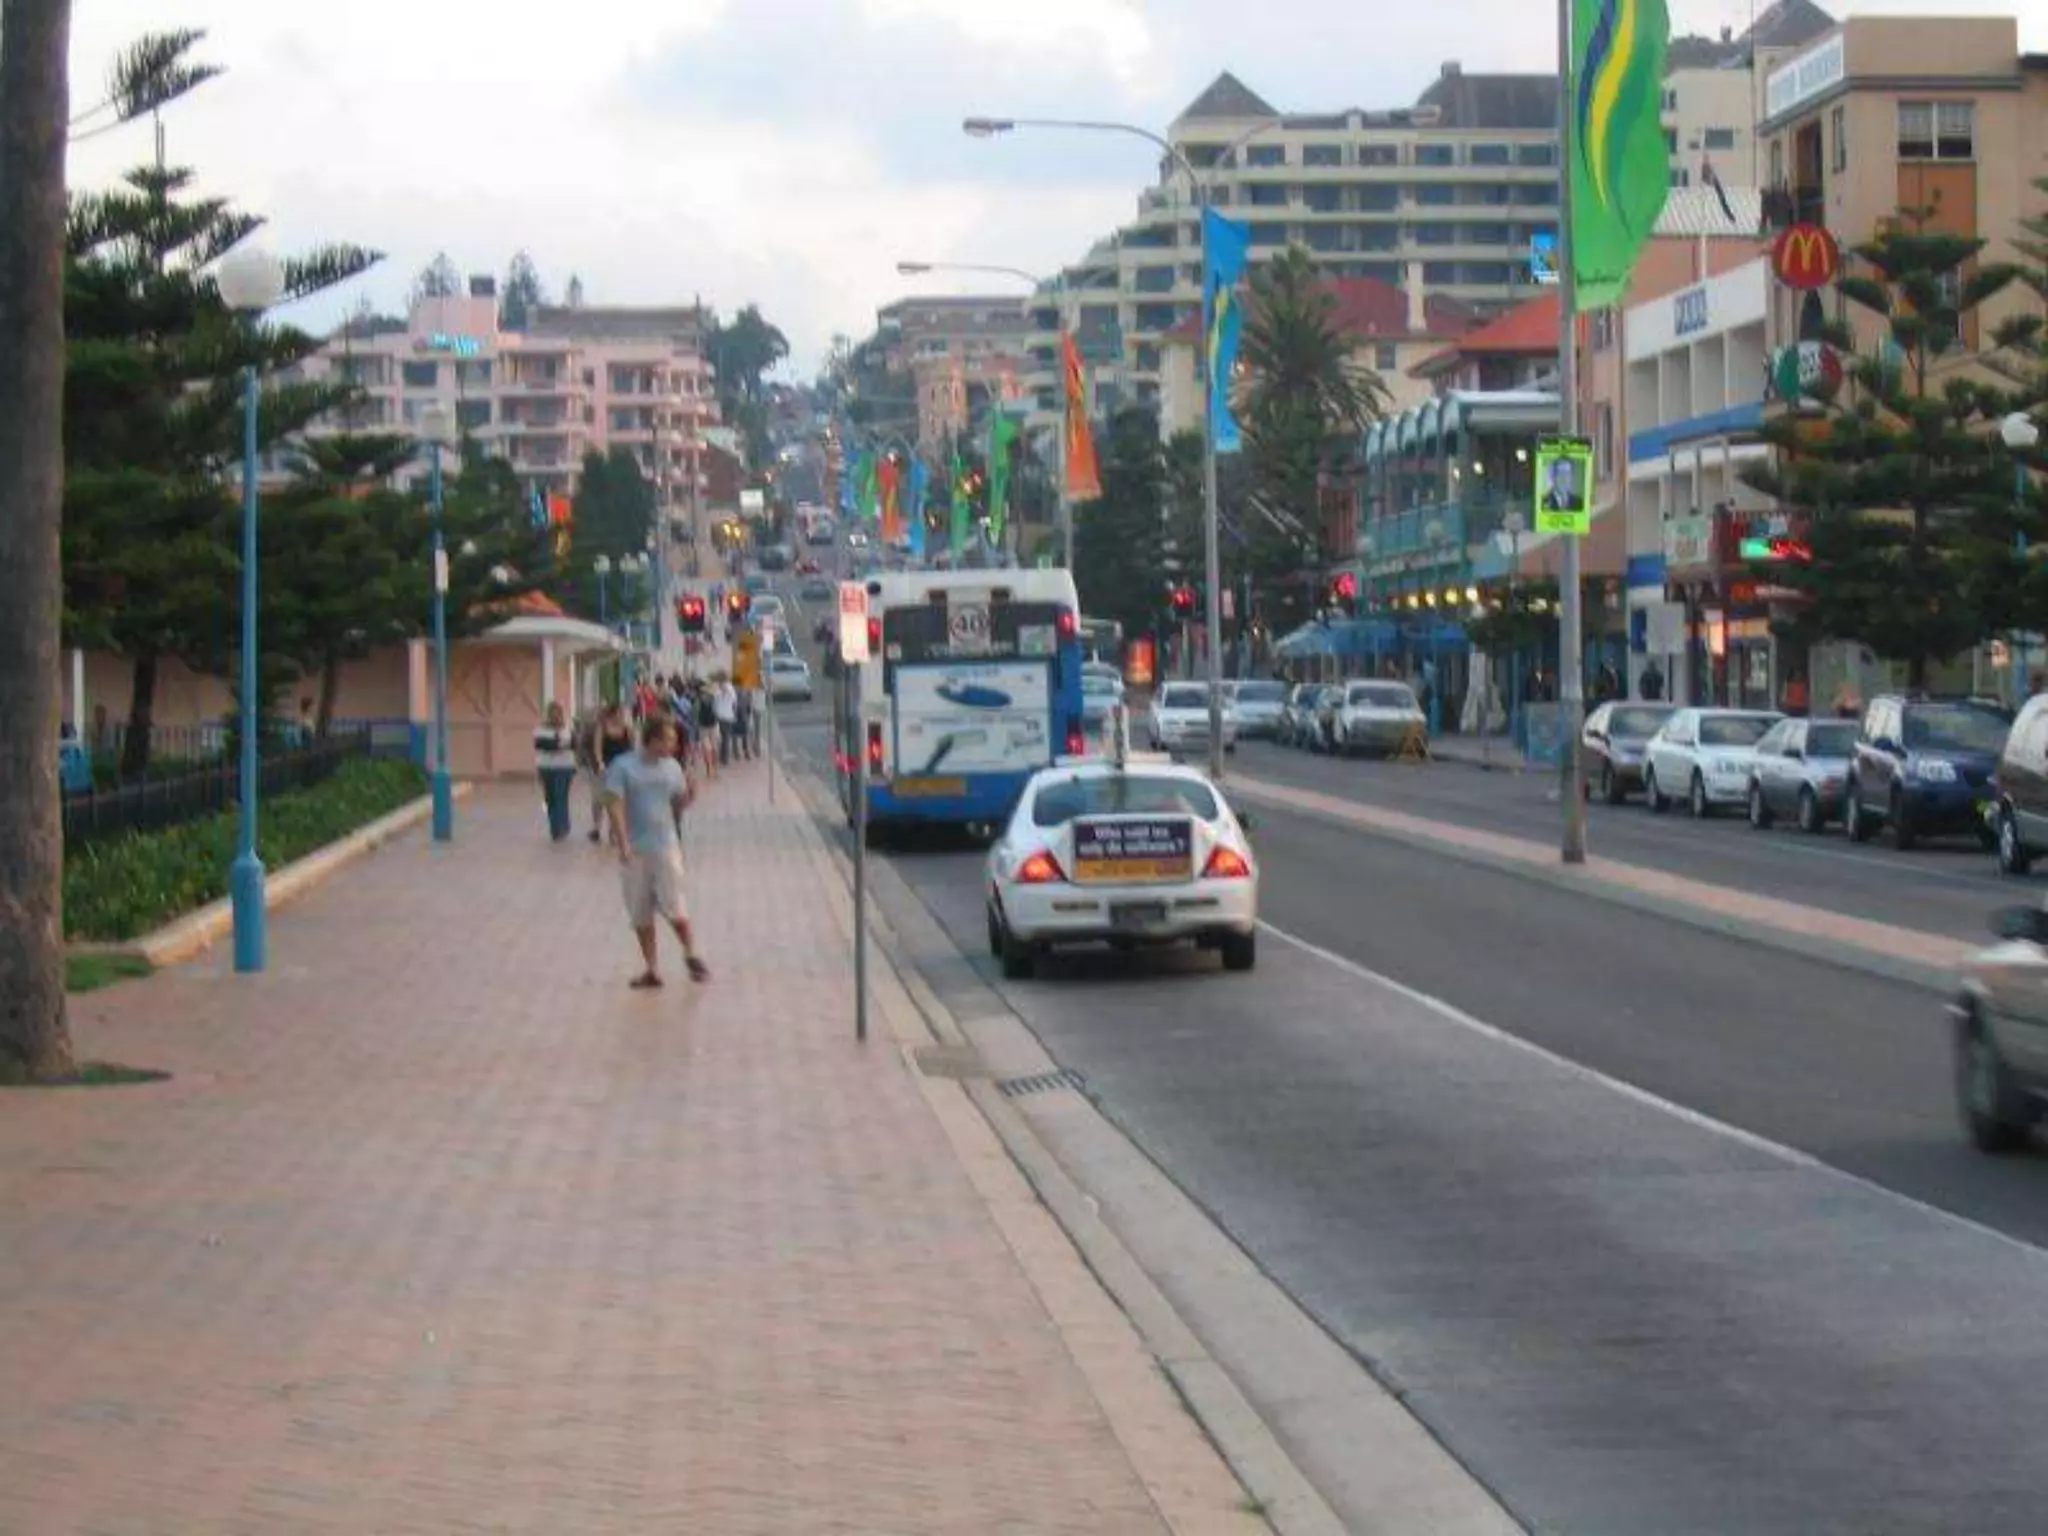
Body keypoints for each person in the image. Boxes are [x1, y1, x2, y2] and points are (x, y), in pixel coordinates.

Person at [604, 714, 710, 988]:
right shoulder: (623, 766)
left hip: (665, 846)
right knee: (640, 913)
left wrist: (690, 796)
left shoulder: (672, 768)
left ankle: (691, 954)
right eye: (668, 740)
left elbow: (676, 805)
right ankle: (652, 969)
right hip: (635, 850)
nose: (673, 745)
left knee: (674, 905)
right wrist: (623, 841)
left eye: (674, 740)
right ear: (651, 740)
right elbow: (614, 804)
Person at [590, 702, 636, 844]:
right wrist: (600, 763)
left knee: (616, 799)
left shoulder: (627, 729)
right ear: (612, 714)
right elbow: (597, 747)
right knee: (600, 798)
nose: (621, 716)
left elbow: (633, 748)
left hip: (622, 768)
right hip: (606, 767)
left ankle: (613, 830)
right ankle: (597, 827)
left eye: (623, 714)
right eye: (619, 713)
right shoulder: (602, 727)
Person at [533, 701, 578, 841]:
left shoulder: (569, 727)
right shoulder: (540, 729)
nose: (556, 716)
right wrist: (561, 745)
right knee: (550, 798)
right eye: (553, 713)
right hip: (546, 768)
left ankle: (562, 826)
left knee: (561, 796)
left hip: (565, 767)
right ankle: (554, 827)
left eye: (558, 713)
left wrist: (559, 745)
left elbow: (575, 744)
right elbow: (542, 745)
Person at [713, 673, 740, 765]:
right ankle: (723, 757)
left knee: (724, 737)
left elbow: (716, 703)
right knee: (725, 737)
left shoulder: (722, 690)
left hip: (723, 716)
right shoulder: (727, 690)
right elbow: (734, 703)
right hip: (726, 716)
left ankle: (724, 757)